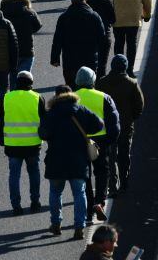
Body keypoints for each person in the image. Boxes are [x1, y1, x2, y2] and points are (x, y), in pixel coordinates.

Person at [38, 85, 103, 240]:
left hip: (56, 160)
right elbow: (99, 124)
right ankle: (79, 227)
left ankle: (56, 224)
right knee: (79, 193)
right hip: (78, 160)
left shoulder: (51, 114)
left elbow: (43, 133)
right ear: (71, 94)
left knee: (55, 192)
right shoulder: (81, 110)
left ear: (56, 96)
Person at [0, 71, 46, 215]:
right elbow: (45, 121)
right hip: (33, 145)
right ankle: (35, 202)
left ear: (17, 82)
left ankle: (16, 205)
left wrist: (1, 139)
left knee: (14, 175)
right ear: (31, 83)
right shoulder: (38, 98)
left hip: (13, 145)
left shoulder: (7, 98)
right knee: (34, 172)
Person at [74, 66, 121, 223]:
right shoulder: (104, 97)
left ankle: (87, 210)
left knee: (84, 176)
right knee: (102, 172)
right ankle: (100, 202)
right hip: (101, 142)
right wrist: (109, 142)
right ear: (93, 80)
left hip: (80, 142)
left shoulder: (72, 98)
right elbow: (114, 125)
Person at [95, 54, 143, 195]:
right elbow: (139, 105)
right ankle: (124, 182)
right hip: (126, 126)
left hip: (108, 126)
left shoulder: (102, 83)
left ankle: (112, 184)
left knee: (110, 156)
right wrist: (132, 118)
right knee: (124, 154)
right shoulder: (132, 84)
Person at [105, 0, 153, 76]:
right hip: (134, 17)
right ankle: (130, 69)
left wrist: (108, 17)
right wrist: (147, 14)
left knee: (119, 43)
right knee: (132, 43)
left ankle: (118, 69)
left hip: (118, 18)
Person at [51, 0, 109, 86]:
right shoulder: (94, 16)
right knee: (89, 85)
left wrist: (55, 58)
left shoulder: (64, 17)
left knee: (71, 85)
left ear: (71, 1)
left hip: (70, 59)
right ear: (85, 0)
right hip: (90, 57)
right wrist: (101, 58)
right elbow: (102, 38)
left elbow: (57, 39)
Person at [2, 0, 42, 75]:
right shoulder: (29, 11)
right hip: (27, 49)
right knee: (24, 77)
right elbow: (38, 25)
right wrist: (28, 31)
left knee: (12, 77)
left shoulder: (3, 11)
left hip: (9, 50)